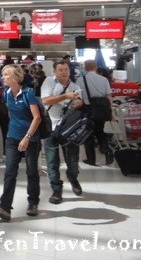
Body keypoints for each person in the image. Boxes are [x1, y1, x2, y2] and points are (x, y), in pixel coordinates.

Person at [0, 64, 41, 221]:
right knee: (10, 171)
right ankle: (4, 207)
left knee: (31, 171)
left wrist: (27, 137)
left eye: (5, 74)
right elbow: (12, 114)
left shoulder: (28, 94)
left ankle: (33, 203)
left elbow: (37, 118)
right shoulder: (6, 94)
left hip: (31, 138)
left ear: (15, 77)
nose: (2, 77)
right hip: (12, 137)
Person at [41, 60, 84, 204]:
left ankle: (73, 177)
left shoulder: (75, 86)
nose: (64, 72)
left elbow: (80, 102)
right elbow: (46, 101)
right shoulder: (48, 82)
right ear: (54, 71)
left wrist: (78, 103)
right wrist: (65, 97)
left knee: (72, 159)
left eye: (66, 69)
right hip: (51, 126)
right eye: (61, 70)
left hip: (69, 128)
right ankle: (56, 189)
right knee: (51, 160)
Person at [80, 59, 114, 166]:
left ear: (85, 67)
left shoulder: (80, 80)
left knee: (88, 134)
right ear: (95, 67)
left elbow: (78, 97)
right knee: (100, 131)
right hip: (101, 109)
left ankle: (91, 160)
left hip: (87, 109)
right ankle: (107, 151)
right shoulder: (104, 80)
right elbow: (108, 97)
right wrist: (110, 112)